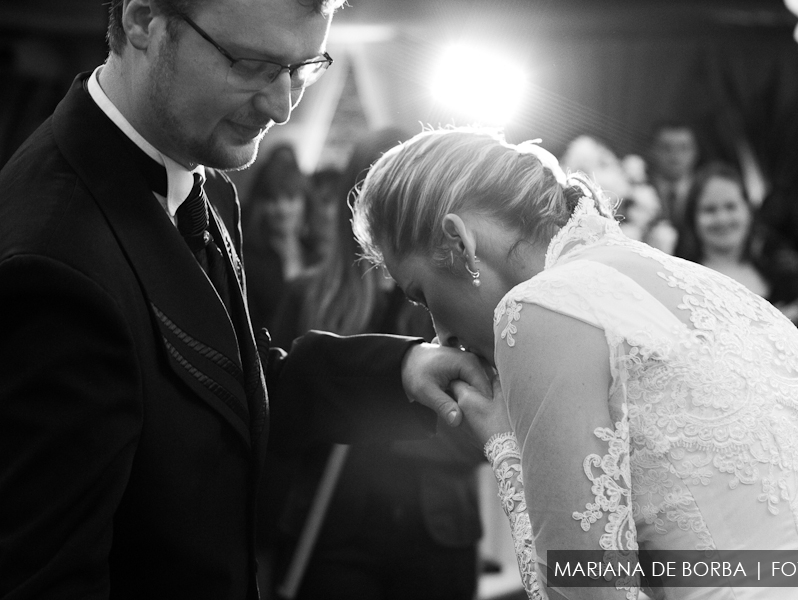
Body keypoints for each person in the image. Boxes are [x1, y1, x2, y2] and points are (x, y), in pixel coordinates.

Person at [0, 2, 489, 599]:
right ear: (143, 20)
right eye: (254, 65)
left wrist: (405, 370)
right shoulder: (52, 262)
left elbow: (229, 389)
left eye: (304, 69)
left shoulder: (203, 185)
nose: (282, 106)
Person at [352, 127, 798, 600]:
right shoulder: (727, 293)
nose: (440, 336)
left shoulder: (540, 306)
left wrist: (503, 444)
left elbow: (585, 592)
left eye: (421, 295)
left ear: (459, 242)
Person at [261, 126, 485, 600]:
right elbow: (279, 412)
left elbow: (484, 433)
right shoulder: (309, 295)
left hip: (439, 529)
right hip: (331, 533)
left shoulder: (464, 306)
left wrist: (362, 417)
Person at [673, 161, 798, 322]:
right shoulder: (679, 282)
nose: (722, 219)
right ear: (692, 218)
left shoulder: (781, 275)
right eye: (709, 209)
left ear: (748, 210)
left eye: (731, 207)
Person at [242, 142, 314, 330]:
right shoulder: (247, 260)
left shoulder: (316, 253)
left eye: (290, 198)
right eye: (273, 200)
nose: (282, 209)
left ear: (304, 201)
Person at [646, 120, 701, 231]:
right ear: (652, 150)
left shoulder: (704, 190)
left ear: (696, 152)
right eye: (666, 148)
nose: (675, 156)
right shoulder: (638, 189)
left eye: (683, 148)